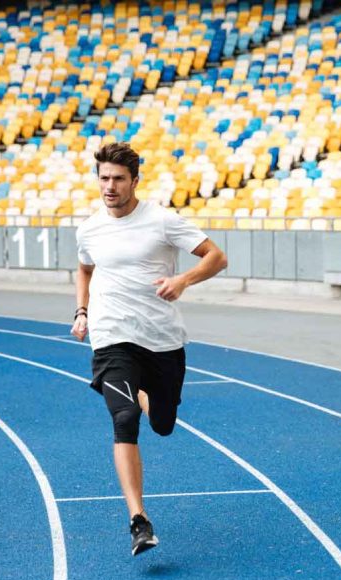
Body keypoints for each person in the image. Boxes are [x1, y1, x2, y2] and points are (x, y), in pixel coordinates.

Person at [71, 142, 227, 556]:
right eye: (104, 178)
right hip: (111, 337)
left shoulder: (161, 220)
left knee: (162, 423)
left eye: (118, 179)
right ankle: (139, 520)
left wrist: (183, 281)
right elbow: (85, 268)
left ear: (134, 181)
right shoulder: (89, 229)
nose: (110, 186)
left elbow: (216, 257)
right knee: (124, 419)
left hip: (161, 340)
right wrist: (82, 310)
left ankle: (145, 394)